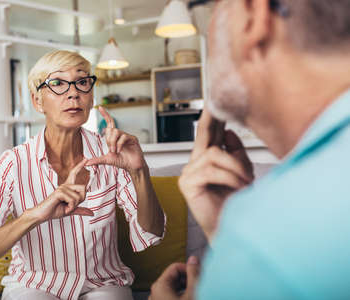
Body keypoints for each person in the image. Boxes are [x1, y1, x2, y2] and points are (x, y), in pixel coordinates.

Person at [150, 0, 350, 299]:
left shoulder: (262, 240)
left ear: (251, 15)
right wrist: (226, 231)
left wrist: (244, 242)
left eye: (204, 9)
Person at [0, 50, 166, 300]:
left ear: (90, 94)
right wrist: (33, 215)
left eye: (82, 82)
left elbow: (151, 233)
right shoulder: (13, 163)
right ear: (37, 101)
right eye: (57, 83)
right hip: (33, 283)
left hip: (104, 282)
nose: (73, 92)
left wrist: (140, 171)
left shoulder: (112, 153)